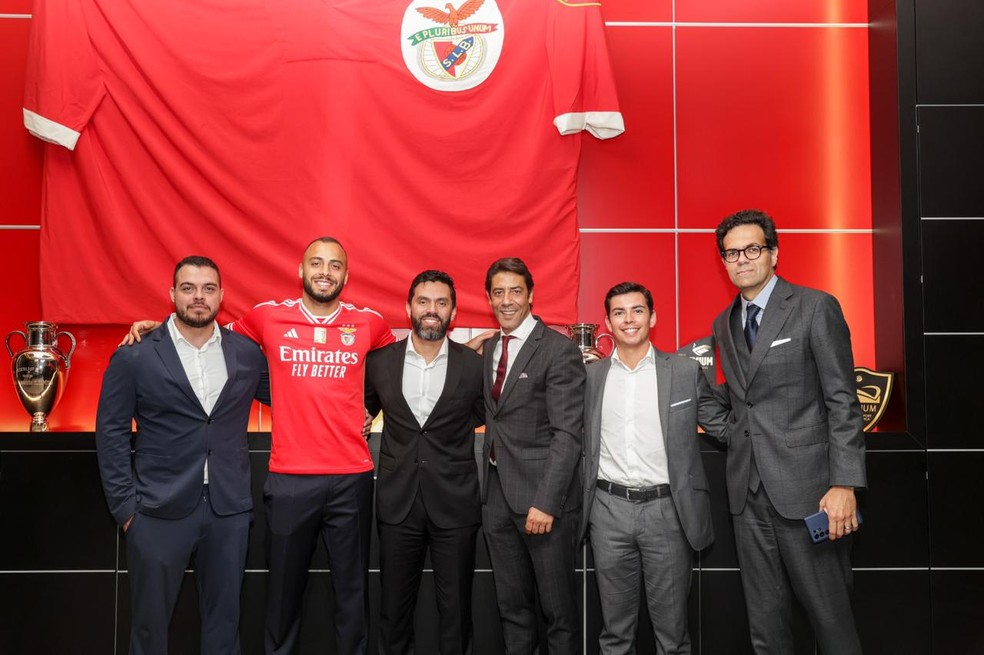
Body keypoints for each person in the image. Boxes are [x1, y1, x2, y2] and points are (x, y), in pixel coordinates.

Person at [125, 237, 395, 654]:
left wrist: (368, 407)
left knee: (353, 595)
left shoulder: (370, 323)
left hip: (352, 476)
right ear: (300, 271)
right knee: (283, 598)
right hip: (289, 478)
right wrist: (159, 328)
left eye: (335, 265)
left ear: (346, 275)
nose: (325, 271)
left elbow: (393, 367)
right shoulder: (266, 317)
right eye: (316, 263)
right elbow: (204, 333)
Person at [96, 255, 270, 655]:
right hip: (156, 512)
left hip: (229, 511)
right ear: (172, 293)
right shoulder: (135, 355)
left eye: (208, 289)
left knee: (225, 626)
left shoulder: (245, 354)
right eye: (188, 288)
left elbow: (293, 393)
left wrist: (359, 404)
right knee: (150, 629)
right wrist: (126, 511)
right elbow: (111, 435)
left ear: (221, 296)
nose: (198, 297)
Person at [711, 209, 866, 654]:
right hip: (748, 497)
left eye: (752, 249)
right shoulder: (724, 323)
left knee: (831, 621)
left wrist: (845, 483)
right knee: (766, 627)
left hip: (811, 494)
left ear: (773, 253)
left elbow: (843, 400)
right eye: (731, 253)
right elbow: (745, 402)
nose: (741, 259)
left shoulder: (815, 307)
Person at [580, 282, 729, 654]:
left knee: (672, 636)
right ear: (607, 323)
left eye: (637, 311)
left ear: (653, 317)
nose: (628, 320)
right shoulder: (590, 378)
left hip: (668, 511)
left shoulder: (684, 371)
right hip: (607, 510)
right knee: (615, 634)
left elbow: (724, 427)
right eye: (619, 313)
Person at [364, 270, 485, 655]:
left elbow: (483, 415)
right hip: (397, 506)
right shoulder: (379, 362)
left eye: (441, 302)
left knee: (456, 614)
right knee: (393, 614)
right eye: (424, 301)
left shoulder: (473, 366)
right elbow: (359, 412)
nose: (432, 310)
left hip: (456, 506)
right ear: (408, 307)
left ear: (453, 312)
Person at [478, 257, 585, 653]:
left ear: (531, 296)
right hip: (497, 503)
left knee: (558, 615)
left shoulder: (558, 351)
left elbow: (568, 435)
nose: (507, 300)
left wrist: (546, 503)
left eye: (515, 291)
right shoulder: (490, 347)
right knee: (513, 610)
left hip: (543, 506)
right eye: (499, 292)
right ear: (489, 298)